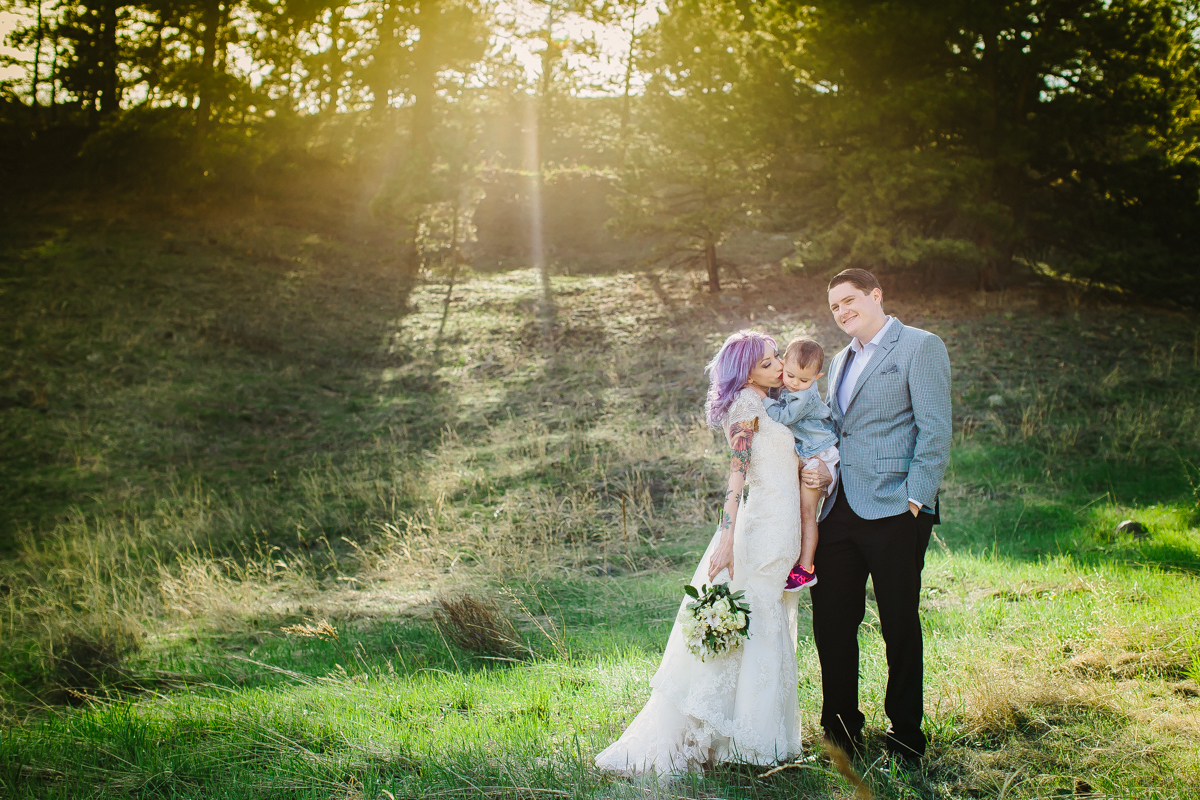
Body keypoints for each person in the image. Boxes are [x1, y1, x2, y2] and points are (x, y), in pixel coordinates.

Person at [595, 331, 804, 776]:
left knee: (770, 621)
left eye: (777, 359)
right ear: (746, 371)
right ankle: (748, 744)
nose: (778, 367)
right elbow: (737, 476)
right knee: (760, 621)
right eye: (768, 363)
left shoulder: (771, 403)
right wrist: (727, 537)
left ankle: (758, 737)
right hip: (761, 526)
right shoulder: (745, 408)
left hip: (786, 526)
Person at [802, 269, 951, 765]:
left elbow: (934, 428)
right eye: (834, 307)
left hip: (895, 508)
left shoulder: (919, 346)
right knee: (832, 622)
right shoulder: (841, 359)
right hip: (839, 509)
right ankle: (841, 732)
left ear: (876, 295)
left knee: (899, 624)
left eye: (849, 301)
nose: (843, 312)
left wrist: (916, 501)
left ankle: (906, 736)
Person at [761, 337, 840, 592]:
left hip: (819, 455)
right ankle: (794, 558)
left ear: (817, 377)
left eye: (804, 380)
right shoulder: (791, 387)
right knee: (795, 510)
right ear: (783, 364)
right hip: (807, 451)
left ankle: (806, 569)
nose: (795, 384)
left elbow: (782, 416)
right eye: (790, 375)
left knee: (808, 513)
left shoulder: (804, 397)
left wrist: (758, 400)